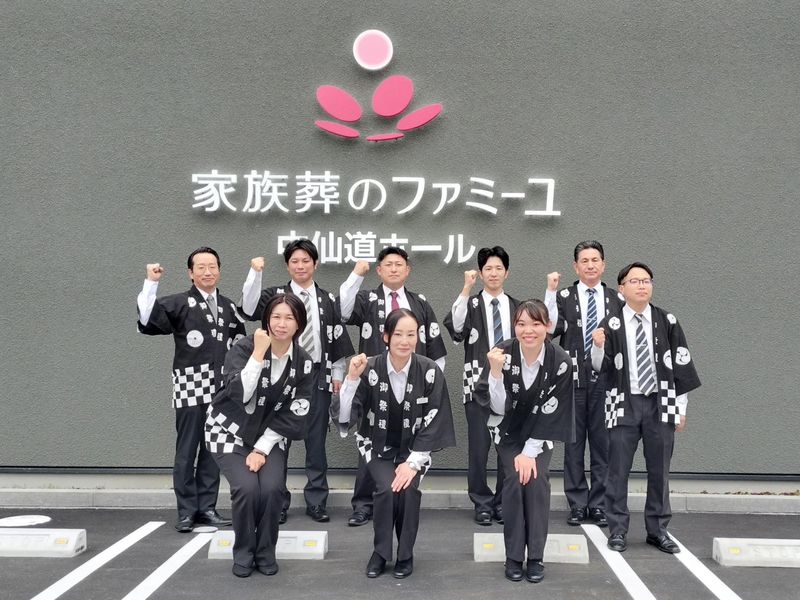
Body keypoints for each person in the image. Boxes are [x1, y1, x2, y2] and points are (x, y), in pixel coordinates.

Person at [240, 239, 354, 524]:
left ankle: (316, 501)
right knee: (279, 440)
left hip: (316, 376)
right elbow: (249, 307)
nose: (300, 266)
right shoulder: (275, 296)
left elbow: (336, 340)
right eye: (294, 261)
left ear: (315, 264)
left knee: (316, 443)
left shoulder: (326, 299)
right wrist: (255, 274)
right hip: (281, 374)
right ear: (287, 265)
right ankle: (277, 501)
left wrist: (337, 375)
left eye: (306, 261)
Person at [591, 262, 701, 554]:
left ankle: (658, 530)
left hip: (660, 401)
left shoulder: (667, 321)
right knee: (617, 469)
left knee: (660, 469)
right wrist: (598, 346)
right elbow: (599, 367)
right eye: (635, 281)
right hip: (622, 401)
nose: (641, 285)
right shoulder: (611, 323)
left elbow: (681, 363)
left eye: (646, 280)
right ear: (621, 288)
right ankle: (617, 529)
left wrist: (680, 407)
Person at [337, 308, 456, 579]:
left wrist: (411, 463)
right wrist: (351, 378)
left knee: (408, 490)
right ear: (386, 336)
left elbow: (435, 418)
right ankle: (380, 553)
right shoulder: (369, 368)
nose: (405, 341)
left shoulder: (429, 370)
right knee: (387, 490)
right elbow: (345, 415)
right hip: (375, 445)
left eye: (411, 334)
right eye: (398, 334)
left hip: (415, 449)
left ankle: (405, 554)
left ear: (418, 337)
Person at [205, 294, 315, 577]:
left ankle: (265, 552)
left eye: (289, 318)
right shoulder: (244, 347)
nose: (281, 324)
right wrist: (258, 354)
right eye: (276, 317)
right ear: (266, 319)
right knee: (246, 488)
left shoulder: (303, 362)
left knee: (272, 489)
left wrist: (261, 449)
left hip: (270, 436)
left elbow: (296, 411)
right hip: (227, 431)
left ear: (299, 324)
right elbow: (239, 393)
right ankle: (244, 553)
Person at [137, 247, 244, 533]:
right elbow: (147, 320)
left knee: (212, 450)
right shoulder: (179, 302)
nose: (207, 272)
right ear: (190, 273)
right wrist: (151, 283)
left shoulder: (229, 307)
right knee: (186, 449)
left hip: (221, 390)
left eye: (212, 266)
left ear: (219, 270)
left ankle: (206, 507)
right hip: (189, 386)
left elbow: (240, 349)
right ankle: (186, 511)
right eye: (201, 267)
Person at [339, 246, 447, 526]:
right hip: (373, 385)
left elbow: (435, 349)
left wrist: (432, 386)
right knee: (369, 446)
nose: (394, 268)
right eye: (388, 264)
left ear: (408, 270)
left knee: (407, 446)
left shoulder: (419, 303)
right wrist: (356, 275)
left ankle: (400, 499)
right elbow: (343, 309)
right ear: (379, 270)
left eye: (399, 264)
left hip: (411, 386)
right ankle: (363, 504)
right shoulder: (368, 299)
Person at [474, 300, 575, 584]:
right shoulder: (502, 353)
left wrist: (530, 453)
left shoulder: (561, 361)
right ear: (514, 327)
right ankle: (514, 556)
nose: (528, 330)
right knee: (514, 482)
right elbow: (496, 407)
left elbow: (554, 411)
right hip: (508, 433)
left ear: (548, 326)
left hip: (541, 435)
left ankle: (536, 557)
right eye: (521, 324)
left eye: (535, 324)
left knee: (537, 481)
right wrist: (495, 373)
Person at [544, 240, 624, 527]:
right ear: (575, 267)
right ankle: (577, 503)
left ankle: (599, 504)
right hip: (573, 379)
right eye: (584, 261)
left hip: (606, 379)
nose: (590, 265)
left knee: (603, 444)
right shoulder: (564, 297)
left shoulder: (617, 299)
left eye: (595, 260)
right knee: (574, 445)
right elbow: (549, 328)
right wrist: (550, 292)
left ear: (603, 264)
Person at [444, 246, 520, 525]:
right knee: (479, 446)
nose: (494, 273)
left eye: (499, 268)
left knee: (507, 446)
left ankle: (502, 501)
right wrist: (466, 288)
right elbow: (456, 327)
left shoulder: (517, 307)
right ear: (480, 272)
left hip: (510, 383)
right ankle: (481, 502)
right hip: (477, 381)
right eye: (488, 268)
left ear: (507, 272)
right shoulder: (471, 304)